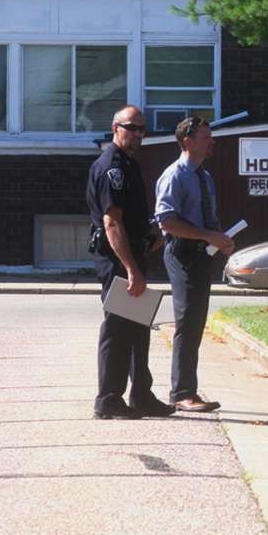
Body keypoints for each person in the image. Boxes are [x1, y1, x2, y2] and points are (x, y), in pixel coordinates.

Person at [86, 105, 175, 420]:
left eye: (142, 129)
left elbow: (131, 220)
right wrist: (131, 270)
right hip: (117, 261)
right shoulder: (113, 168)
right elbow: (112, 224)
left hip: (132, 255)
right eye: (131, 127)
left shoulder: (129, 165)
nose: (137, 134)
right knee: (118, 329)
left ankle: (141, 395)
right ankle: (108, 399)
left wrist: (149, 239)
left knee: (138, 328)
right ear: (115, 127)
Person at [154, 117, 234, 412]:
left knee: (197, 321)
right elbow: (167, 220)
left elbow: (209, 219)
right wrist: (206, 235)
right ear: (187, 141)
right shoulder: (174, 175)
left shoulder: (204, 176)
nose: (211, 142)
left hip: (203, 253)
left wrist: (221, 239)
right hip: (182, 252)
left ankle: (189, 389)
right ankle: (181, 393)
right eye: (205, 138)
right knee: (187, 321)